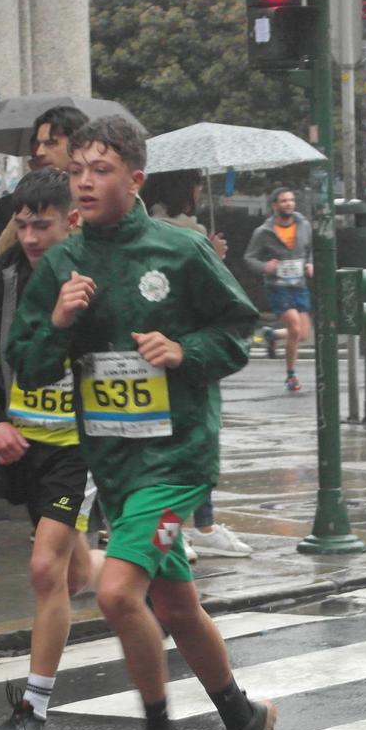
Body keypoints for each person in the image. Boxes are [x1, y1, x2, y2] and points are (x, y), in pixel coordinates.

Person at [8, 115, 273, 730]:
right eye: (77, 171)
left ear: (135, 179)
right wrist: (59, 323)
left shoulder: (179, 250)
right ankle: (241, 718)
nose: (86, 182)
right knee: (176, 603)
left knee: (121, 591)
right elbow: (26, 362)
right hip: (115, 464)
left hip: (177, 456)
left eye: (101, 169)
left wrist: (184, 352)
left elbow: (238, 330)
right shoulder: (62, 264)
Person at [0, 169, 104, 730]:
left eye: (41, 225)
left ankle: (33, 713)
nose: (28, 236)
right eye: (21, 224)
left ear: (72, 220)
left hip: (82, 449)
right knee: (73, 576)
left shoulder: (97, 277)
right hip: (26, 447)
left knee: (45, 570)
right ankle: (132, 577)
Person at [143, 170, 253, 561]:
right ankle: (173, 535)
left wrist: (214, 259)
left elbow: (229, 323)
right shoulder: (168, 237)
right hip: (158, 377)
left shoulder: (191, 237)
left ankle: (191, 531)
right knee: (174, 470)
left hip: (188, 371)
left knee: (193, 461)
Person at [0, 104, 88, 260]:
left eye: (51, 143)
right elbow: (3, 252)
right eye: (38, 144)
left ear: (79, 144)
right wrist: (36, 188)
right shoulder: (14, 201)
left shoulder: (100, 196)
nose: (39, 152)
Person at [244, 188, 314, 393]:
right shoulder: (264, 232)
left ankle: (272, 335)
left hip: (299, 285)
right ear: (275, 205)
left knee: (303, 334)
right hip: (278, 286)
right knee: (294, 327)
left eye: (291, 200)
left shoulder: (304, 225)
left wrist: (310, 264)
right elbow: (250, 258)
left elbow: (310, 250)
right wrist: (266, 267)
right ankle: (291, 376)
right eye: (284, 201)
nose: (289, 204)